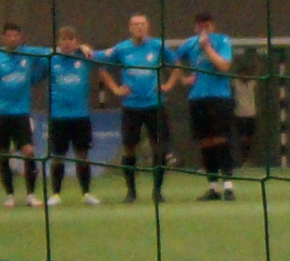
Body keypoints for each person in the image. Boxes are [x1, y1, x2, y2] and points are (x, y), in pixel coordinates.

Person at [93, 12, 179, 204]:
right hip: (131, 106)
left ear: (148, 27)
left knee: (159, 148)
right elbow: (103, 68)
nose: (140, 27)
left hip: (155, 105)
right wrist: (115, 88)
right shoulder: (122, 48)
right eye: (136, 24)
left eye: (143, 24)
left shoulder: (157, 46)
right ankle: (131, 192)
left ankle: (157, 191)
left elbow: (177, 65)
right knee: (130, 148)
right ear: (130, 28)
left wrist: (168, 85)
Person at [174, 12, 237, 201]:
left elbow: (224, 66)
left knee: (221, 139)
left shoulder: (222, 41)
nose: (203, 29)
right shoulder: (189, 43)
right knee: (205, 142)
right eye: (200, 26)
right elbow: (173, 59)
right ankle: (213, 187)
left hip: (219, 97)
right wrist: (183, 78)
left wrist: (207, 47)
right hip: (197, 98)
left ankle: (228, 186)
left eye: (206, 25)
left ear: (212, 26)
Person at [0, 22, 44, 207]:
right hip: (0, 113)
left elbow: (51, 54)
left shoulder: (29, 53)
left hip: (21, 113)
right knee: (3, 154)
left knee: (29, 151)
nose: (13, 39)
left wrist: (82, 48)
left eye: (16, 35)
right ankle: (9, 194)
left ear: (21, 37)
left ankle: (30, 195)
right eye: (9, 36)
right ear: (3, 38)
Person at [43, 26, 99, 206]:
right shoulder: (50, 59)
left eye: (71, 39)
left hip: (80, 116)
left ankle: (86, 193)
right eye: (64, 39)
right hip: (58, 116)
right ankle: (55, 194)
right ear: (58, 42)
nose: (67, 43)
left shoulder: (84, 58)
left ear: (77, 41)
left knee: (82, 155)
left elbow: (104, 58)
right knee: (58, 155)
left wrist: (87, 48)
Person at [231, 55, 260, 167]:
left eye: (246, 74)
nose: (244, 76)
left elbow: (258, 72)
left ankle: (247, 159)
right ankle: (242, 159)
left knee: (249, 138)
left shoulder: (251, 83)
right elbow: (228, 72)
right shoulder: (236, 83)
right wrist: (232, 57)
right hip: (239, 114)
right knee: (241, 138)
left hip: (251, 114)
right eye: (241, 74)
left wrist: (259, 58)